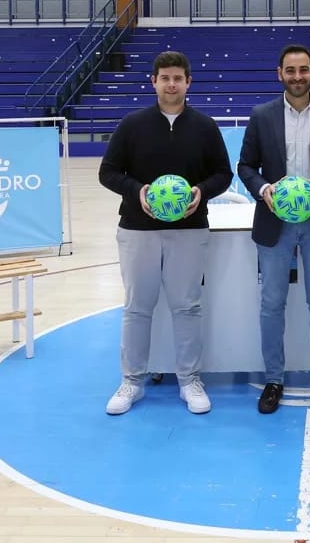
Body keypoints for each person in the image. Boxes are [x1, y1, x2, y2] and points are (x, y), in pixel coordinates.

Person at [98, 50, 234, 415]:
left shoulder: (205, 126)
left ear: (188, 82)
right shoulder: (132, 125)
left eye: (177, 78)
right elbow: (108, 172)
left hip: (189, 229)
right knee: (137, 307)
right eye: (165, 78)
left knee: (187, 307)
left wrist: (201, 192)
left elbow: (223, 174)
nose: (171, 84)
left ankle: (190, 380)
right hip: (137, 230)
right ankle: (132, 381)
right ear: (153, 82)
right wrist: (137, 191)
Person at [238, 44, 310, 415]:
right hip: (275, 222)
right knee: (272, 303)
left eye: (304, 69)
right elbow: (245, 166)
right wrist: (263, 189)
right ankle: (274, 380)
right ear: (280, 74)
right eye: (290, 70)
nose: (297, 77)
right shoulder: (262, 115)